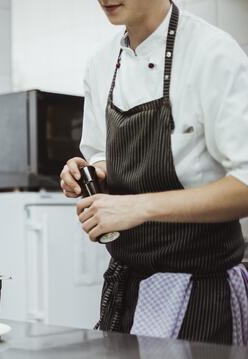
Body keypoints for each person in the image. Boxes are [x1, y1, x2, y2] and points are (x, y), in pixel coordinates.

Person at [60, 0, 248, 345]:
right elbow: (101, 153)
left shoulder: (212, 52)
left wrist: (138, 207)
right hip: (125, 285)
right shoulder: (101, 63)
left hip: (202, 291)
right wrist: (93, 171)